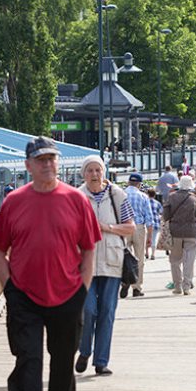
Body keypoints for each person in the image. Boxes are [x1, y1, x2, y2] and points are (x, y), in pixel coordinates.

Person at [0, 137, 101, 391]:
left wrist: (82, 291)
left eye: (51, 158)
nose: (47, 164)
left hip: (68, 295)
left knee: (63, 365)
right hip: (24, 296)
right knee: (28, 361)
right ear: (28, 165)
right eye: (41, 160)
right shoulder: (14, 202)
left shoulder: (76, 199)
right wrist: (10, 291)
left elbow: (88, 249)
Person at [77, 156, 135, 377]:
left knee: (107, 312)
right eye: (90, 170)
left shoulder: (117, 195)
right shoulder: (77, 197)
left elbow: (130, 228)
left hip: (112, 260)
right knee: (88, 310)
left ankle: (101, 361)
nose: (94, 174)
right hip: (85, 263)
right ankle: (84, 351)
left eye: (98, 170)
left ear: (104, 172)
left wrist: (106, 227)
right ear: (84, 174)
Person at [163, 176, 196, 295]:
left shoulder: (171, 197)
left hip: (175, 232)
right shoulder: (194, 199)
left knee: (175, 260)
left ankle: (177, 286)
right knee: (189, 260)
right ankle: (186, 286)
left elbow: (165, 215)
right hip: (192, 232)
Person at [120, 174, 153, 299]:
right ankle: (137, 287)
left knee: (123, 257)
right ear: (139, 184)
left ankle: (124, 281)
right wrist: (150, 237)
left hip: (124, 227)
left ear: (128, 182)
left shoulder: (121, 195)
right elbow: (149, 219)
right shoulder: (143, 196)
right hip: (139, 227)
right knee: (139, 259)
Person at [146, 188, 163, 260]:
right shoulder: (157, 203)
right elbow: (161, 212)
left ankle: (146, 252)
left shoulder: (145, 202)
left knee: (146, 238)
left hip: (146, 223)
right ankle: (153, 254)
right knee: (154, 239)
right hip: (155, 223)